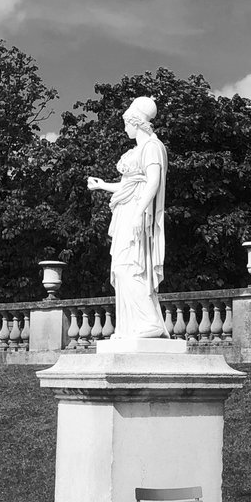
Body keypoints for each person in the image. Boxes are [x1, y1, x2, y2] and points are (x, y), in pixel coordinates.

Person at [87, 96, 169, 340]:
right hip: (127, 212)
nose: (124, 129)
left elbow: (153, 182)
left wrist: (138, 213)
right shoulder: (136, 150)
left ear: (136, 122)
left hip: (137, 213)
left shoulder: (152, 147)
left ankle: (150, 322)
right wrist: (103, 186)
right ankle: (132, 326)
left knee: (131, 267)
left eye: (126, 123)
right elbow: (128, 185)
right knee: (122, 267)